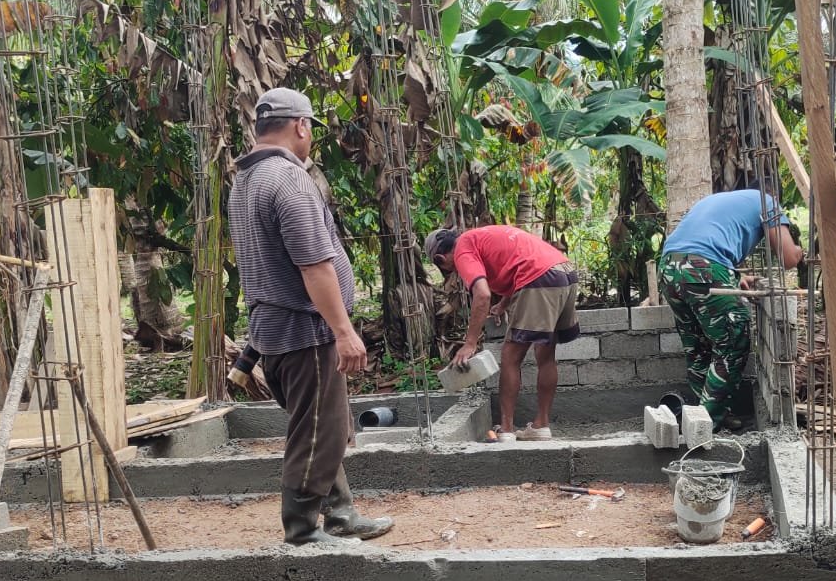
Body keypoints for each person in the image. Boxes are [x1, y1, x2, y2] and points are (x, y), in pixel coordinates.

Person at [228, 87, 392, 545]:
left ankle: (341, 513)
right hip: (305, 331)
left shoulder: (244, 182)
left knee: (319, 425)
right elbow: (314, 266)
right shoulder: (289, 181)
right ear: (301, 126)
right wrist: (343, 331)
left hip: (274, 331)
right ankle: (301, 529)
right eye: (311, 128)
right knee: (321, 431)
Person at [657, 188, 804, 428]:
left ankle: (703, 414)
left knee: (698, 346)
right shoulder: (768, 202)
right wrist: (800, 251)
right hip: (702, 268)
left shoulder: (722, 200)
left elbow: (706, 242)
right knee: (734, 339)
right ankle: (704, 424)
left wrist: (736, 277)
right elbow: (788, 259)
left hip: (668, 267)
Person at [427, 225, 580, 442]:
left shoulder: (463, 249)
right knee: (546, 354)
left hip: (539, 279)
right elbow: (519, 263)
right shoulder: (481, 237)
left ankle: (506, 430)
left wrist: (470, 343)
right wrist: (504, 305)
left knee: (510, 357)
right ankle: (541, 426)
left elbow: (482, 295)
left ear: (440, 258)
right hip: (564, 273)